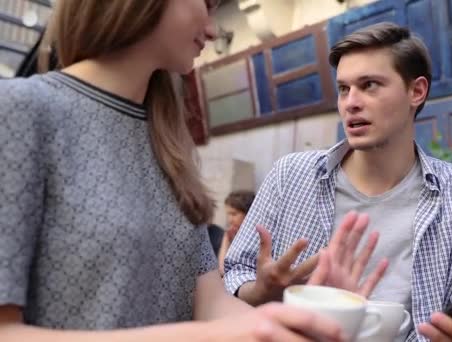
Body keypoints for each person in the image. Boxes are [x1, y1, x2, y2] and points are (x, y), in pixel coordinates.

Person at [0, 1, 385, 341]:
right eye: (208, 3)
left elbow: (211, 302)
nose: (214, 29)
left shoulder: (168, 143)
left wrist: (306, 320)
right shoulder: (21, 110)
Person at [224, 22, 452, 341]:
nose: (351, 103)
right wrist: (262, 291)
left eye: (370, 85)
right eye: (344, 89)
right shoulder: (291, 175)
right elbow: (234, 273)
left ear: (416, 91)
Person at [218, 190, 256, 276]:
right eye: (228, 214)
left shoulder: (253, 238)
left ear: (248, 213)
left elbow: (223, 270)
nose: (230, 220)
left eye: (234, 214)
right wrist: (226, 239)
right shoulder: (232, 235)